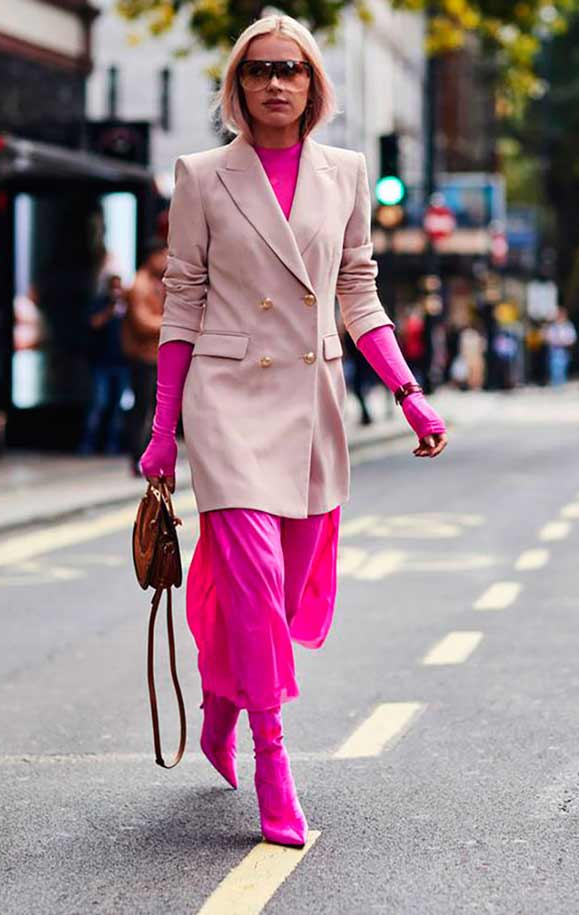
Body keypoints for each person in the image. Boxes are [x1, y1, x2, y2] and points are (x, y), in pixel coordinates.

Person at [139, 14, 448, 848]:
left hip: (311, 400)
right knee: (247, 569)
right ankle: (273, 759)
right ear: (237, 87)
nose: (275, 82)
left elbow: (358, 289)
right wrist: (164, 430)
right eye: (259, 70)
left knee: (279, 595)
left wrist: (409, 392)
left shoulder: (346, 173)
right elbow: (183, 301)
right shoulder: (202, 175)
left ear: (314, 85)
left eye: (292, 69)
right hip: (228, 396)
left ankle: (223, 693)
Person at [122, 240, 167, 475]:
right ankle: (138, 457)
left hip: (156, 355)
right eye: (163, 256)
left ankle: (148, 456)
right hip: (144, 356)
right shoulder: (139, 285)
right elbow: (141, 322)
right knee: (143, 409)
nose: (166, 261)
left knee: (154, 409)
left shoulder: (157, 283)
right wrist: (169, 323)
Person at [79, 274, 129, 454]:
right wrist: (109, 311)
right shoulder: (100, 304)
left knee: (118, 407)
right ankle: (88, 444)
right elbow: (93, 323)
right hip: (102, 362)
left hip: (122, 362)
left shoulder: (126, 307)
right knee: (99, 403)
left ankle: (112, 445)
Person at [544, 306, 576, 387]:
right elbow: (548, 337)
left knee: (563, 367)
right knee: (554, 367)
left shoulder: (568, 325)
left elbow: (572, 337)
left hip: (565, 349)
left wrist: (565, 342)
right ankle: (556, 384)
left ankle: (561, 384)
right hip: (555, 349)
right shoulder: (552, 326)